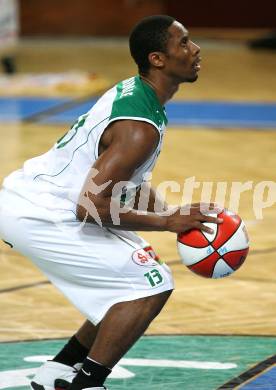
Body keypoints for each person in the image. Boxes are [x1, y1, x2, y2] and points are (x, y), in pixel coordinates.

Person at [0, 15, 223, 390]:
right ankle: (87, 383)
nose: (195, 49)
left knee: (138, 275)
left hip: (34, 200)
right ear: (158, 59)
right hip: (42, 213)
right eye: (183, 43)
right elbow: (90, 208)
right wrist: (169, 223)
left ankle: (58, 371)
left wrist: (169, 214)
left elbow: (131, 182)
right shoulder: (139, 128)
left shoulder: (138, 93)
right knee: (148, 284)